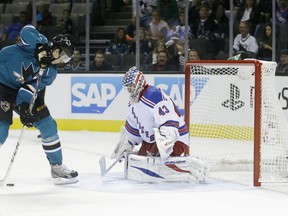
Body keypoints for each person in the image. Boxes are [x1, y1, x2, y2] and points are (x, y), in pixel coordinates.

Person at [0, 24, 78, 185]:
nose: (63, 60)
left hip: (20, 90)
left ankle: (56, 167)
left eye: (67, 59)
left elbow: (31, 88)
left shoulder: (51, 72)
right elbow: (26, 30)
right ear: (56, 49)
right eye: (64, 55)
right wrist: (40, 48)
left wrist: (23, 108)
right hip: (2, 84)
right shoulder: (39, 41)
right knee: (2, 128)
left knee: (48, 125)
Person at [110, 67, 209, 182]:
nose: (129, 90)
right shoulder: (133, 103)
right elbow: (133, 129)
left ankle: (188, 168)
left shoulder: (153, 95)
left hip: (176, 140)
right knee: (138, 164)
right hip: (152, 141)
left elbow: (170, 121)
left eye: (131, 86)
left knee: (149, 166)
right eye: (127, 87)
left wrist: (165, 143)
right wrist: (127, 143)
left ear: (139, 83)